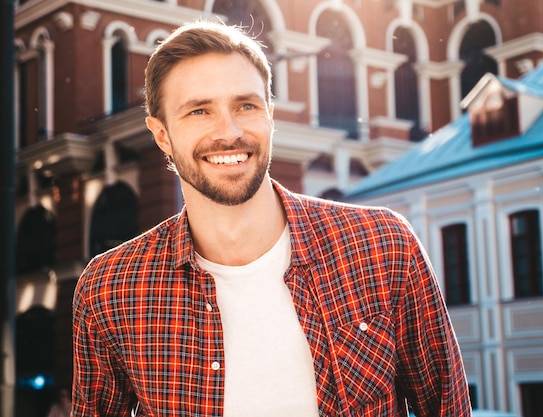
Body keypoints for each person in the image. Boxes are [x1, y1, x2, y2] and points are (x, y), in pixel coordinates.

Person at [72, 20, 471, 417]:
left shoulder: (382, 245)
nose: (228, 132)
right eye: (199, 111)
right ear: (162, 135)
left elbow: (448, 408)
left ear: (270, 115)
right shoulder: (111, 289)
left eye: (246, 105)